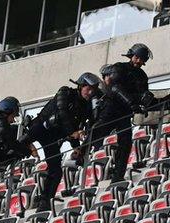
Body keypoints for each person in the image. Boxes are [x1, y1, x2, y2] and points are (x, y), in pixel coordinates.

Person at [19, 73, 101, 211]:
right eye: (88, 89)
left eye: (93, 90)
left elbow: (78, 126)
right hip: (40, 127)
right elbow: (63, 114)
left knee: (56, 171)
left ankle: (45, 202)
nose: (91, 93)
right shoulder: (65, 92)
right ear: (80, 86)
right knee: (17, 148)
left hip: (54, 137)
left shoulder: (86, 106)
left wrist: (76, 146)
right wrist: (72, 133)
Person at [91, 44, 161, 182]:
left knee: (125, 144)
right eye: (138, 58)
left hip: (125, 113)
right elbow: (115, 88)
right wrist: (132, 103)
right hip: (112, 108)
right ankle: (81, 152)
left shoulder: (142, 75)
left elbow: (143, 94)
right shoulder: (119, 68)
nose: (140, 62)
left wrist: (151, 102)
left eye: (142, 60)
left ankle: (117, 176)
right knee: (97, 131)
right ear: (132, 56)